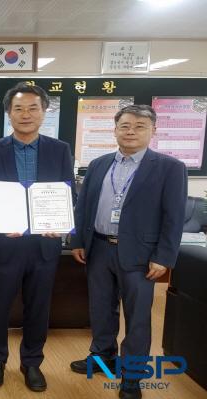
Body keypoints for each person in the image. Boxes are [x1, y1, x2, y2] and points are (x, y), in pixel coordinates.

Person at [69, 104, 187, 399]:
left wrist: (164, 257)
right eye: (125, 126)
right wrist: (78, 241)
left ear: (153, 131)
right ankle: (102, 355)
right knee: (100, 309)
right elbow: (84, 207)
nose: (131, 131)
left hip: (141, 256)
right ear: (116, 130)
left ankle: (132, 376)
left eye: (139, 126)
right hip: (98, 248)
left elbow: (174, 217)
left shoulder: (170, 168)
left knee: (137, 318)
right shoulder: (98, 164)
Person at [0, 82, 75, 392]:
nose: (26, 114)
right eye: (18, 108)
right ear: (9, 113)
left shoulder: (60, 150)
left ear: (44, 112)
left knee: (39, 306)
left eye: (33, 108)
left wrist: (62, 221)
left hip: (44, 244)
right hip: (4, 243)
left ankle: (31, 362)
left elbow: (67, 191)